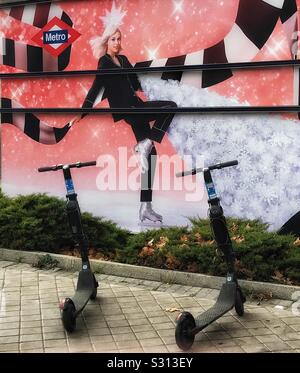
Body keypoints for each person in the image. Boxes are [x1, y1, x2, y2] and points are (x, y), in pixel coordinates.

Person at [71, 27, 177, 224]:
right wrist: (82, 112)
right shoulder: (104, 63)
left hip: (137, 106)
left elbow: (136, 84)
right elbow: (95, 90)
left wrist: (165, 80)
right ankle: (146, 143)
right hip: (129, 111)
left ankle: (146, 206)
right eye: (113, 39)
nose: (117, 43)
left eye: (119, 39)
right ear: (106, 42)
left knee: (151, 156)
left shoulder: (125, 60)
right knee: (171, 107)